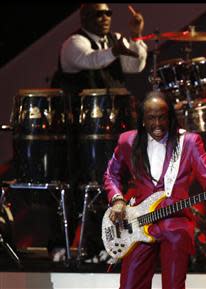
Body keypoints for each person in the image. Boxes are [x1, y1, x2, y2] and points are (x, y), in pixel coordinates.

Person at [48, 3, 148, 262]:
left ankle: (109, 243)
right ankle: (69, 245)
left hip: (111, 128)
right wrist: (116, 48)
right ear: (84, 17)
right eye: (98, 14)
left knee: (114, 183)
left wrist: (135, 36)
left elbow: (134, 65)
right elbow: (91, 60)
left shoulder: (115, 40)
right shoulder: (73, 43)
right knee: (78, 182)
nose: (105, 18)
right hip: (78, 130)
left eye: (108, 13)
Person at [104, 90, 206, 289]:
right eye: (151, 118)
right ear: (142, 119)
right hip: (138, 221)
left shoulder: (188, 141)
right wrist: (118, 200)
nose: (158, 124)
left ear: (170, 117)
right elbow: (111, 175)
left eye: (162, 117)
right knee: (129, 285)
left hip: (175, 222)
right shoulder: (128, 141)